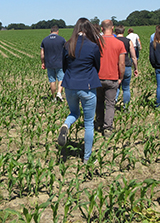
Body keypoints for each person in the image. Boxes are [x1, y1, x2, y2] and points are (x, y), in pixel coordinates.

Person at [57, 18, 103, 164]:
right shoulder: (93, 46)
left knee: (74, 113)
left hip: (70, 85)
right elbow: (97, 66)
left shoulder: (67, 45)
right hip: (88, 87)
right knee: (89, 123)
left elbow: (64, 67)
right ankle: (86, 158)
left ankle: (65, 125)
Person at [95, 20, 126, 136]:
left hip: (98, 77)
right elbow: (121, 64)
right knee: (110, 104)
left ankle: (99, 122)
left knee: (99, 102)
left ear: (102, 29)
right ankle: (107, 128)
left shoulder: (97, 43)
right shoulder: (119, 44)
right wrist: (120, 77)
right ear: (112, 28)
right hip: (113, 77)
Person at [40, 26, 66, 101]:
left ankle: (54, 97)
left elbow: (42, 53)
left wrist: (43, 62)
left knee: (52, 80)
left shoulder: (45, 40)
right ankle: (59, 93)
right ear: (57, 31)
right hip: (60, 63)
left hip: (49, 63)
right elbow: (66, 50)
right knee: (61, 79)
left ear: (50, 32)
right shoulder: (62, 39)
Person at [115, 26, 139, 107]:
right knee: (126, 88)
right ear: (124, 31)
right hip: (127, 66)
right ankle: (126, 107)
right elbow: (133, 56)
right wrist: (136, 68)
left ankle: (113, 104)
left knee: (115, 87)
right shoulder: (128, 41)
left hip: (116, 66)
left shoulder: (113, 41)